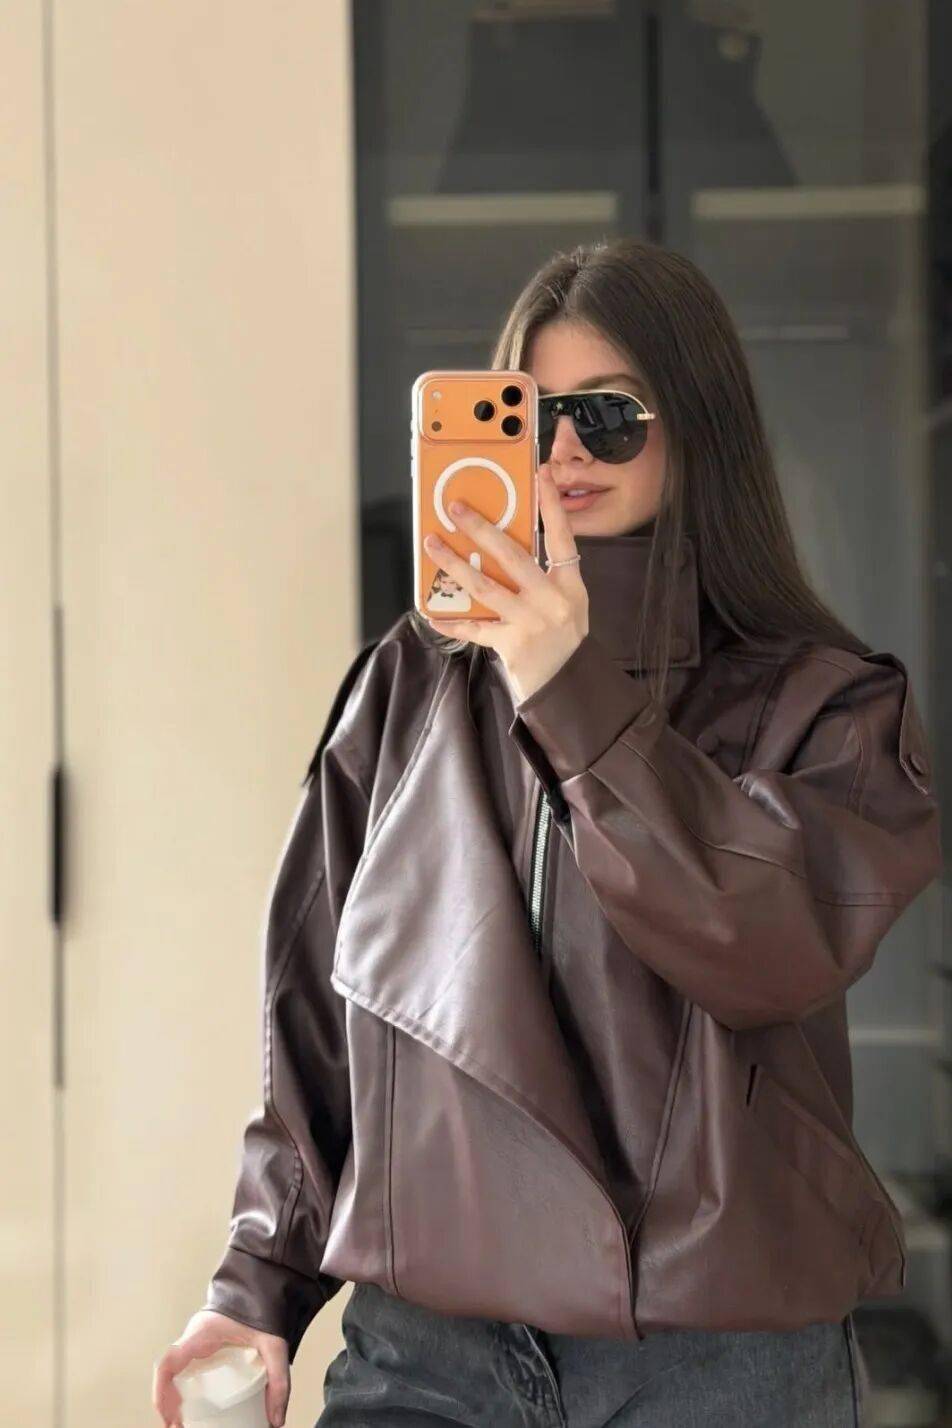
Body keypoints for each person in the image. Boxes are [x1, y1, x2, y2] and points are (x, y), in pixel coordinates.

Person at [153, 238, 942, 1428]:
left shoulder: (829, 706)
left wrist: (566, 686)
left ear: (698, 428)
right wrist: (257, 1281)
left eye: (610, 416)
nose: (565, 450)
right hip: (427, 1354)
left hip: (714, 1360)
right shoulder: (411, 683)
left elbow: (762, 945)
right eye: (530, 415)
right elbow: (321, 1008)